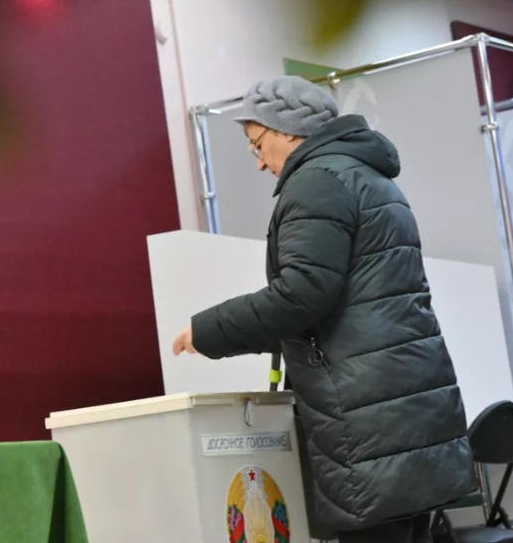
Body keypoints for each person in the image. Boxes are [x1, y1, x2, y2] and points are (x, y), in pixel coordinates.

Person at [171, 77, 475, 543]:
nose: (259, 162)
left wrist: (208, 330)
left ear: (287, 130)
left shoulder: (316, 182)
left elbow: (303, 295)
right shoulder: (369, 177)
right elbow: (342, 302)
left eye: (257, 144)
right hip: (405, 401)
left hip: (366, 415)